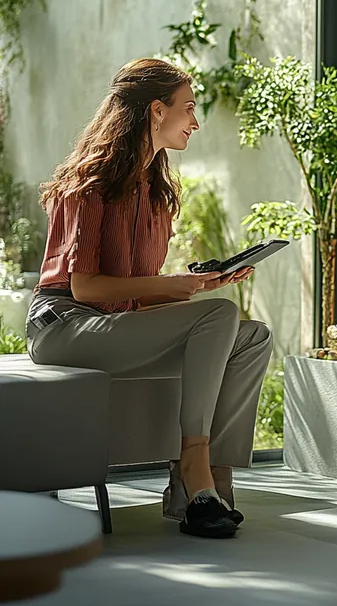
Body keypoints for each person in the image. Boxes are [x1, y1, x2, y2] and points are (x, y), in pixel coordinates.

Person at [27, 58, 273, 539]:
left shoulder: (156, 191)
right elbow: (85, 288)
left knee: (252, 337)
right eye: (189, 108)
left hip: (114, 326)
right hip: (64, 326)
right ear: (157, 110)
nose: (195, 122)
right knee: (220, 315)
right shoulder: (88, 183)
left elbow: (135, 298)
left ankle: (208, 482)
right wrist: (169, 285)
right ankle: (194, 469)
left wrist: (194, 286)